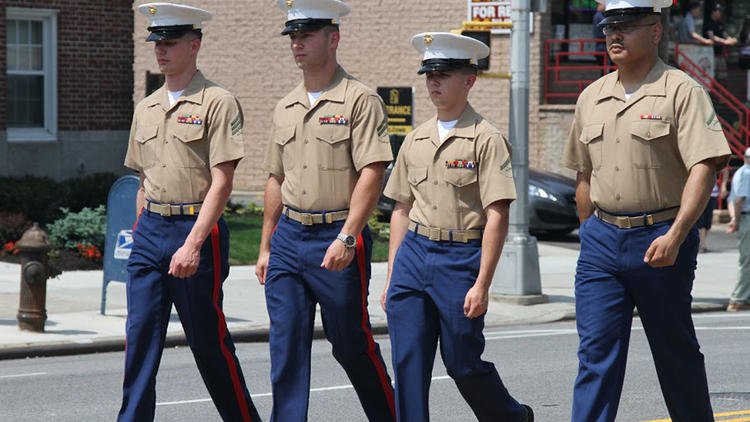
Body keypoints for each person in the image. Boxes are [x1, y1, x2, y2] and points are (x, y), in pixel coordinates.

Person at [562, 0, 731, 420]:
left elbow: (704, 166)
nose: (614, 35)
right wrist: (588, 232)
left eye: (626, 26)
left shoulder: (682, 91)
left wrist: (676, 235)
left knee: (674, 351)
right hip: (601, 241)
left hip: (659, 236)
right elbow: (583, 175)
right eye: (608, 27)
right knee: (595, 354)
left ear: (655, 31)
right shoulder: (591, 96)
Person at [381, 32, 533, 422]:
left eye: (444, 74)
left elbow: (497, 214)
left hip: (460, 258)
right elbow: (401, 209)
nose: (434, 81)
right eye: (429, 74)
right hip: (413, 256)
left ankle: (510, 417)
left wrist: (482, 283)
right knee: (408, 364)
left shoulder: (487, 139)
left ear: (469, 80)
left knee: (462, 362)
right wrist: (391, 277)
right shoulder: (414, 140)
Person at [119, 3, 261, 422]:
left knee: (207, 343)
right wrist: (141, 228)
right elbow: (142, 180)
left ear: (194, 45)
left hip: (195, 229)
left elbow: (223, 181)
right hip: (151, 230)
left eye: (171, 42)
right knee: (139, 336)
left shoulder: (218, 102)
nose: (161, 50)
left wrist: (193, 243)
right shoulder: (146, 107)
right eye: (157, 42)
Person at [255, 0, 396, 420]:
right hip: (288, 239)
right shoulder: (285, 105)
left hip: (335, 236)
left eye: (306, 35)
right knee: (285, 347)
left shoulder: (359, 100)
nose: (296, 44)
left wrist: (348, 237)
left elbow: (373, 172)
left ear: (332, 38)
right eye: (293, 36)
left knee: (350, 343)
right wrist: (265, 245)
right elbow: (275, 179)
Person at [727, 149, 750, 311]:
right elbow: (738, 200)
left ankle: (742, 297)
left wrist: (734, 218)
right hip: (747, 217)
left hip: (743, 217)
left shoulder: (740, 173)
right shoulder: (747, 174)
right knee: (747, 260)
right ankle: (739, 298)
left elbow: (731, 199)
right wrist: (736, 219)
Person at [697, 166, 729, 252]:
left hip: (712, 193)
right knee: (700, 219)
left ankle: (702, 243)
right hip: (698, 194)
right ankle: (702, 245)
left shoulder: (713, 159)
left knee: (708, 221)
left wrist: (723, 186)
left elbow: (725, 170)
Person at [703, 3, 737, 80]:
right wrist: (725, 42)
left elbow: (725, 34)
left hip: (720, 54)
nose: (720, 13)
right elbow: (712, 37)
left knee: (722, 75)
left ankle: (720, 91)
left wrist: (731, 39)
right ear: (713, 12)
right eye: (719, 11)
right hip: (711, 54)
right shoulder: (708, 22)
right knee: (711, 75)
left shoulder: (719, 23)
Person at [739, 15, 750, 104]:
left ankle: (747, 97)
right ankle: (747, 98)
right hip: (746, 57)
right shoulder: (745, 32)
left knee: (747, 78)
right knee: (747, 78)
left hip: (744, 56)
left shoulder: (743, 31)